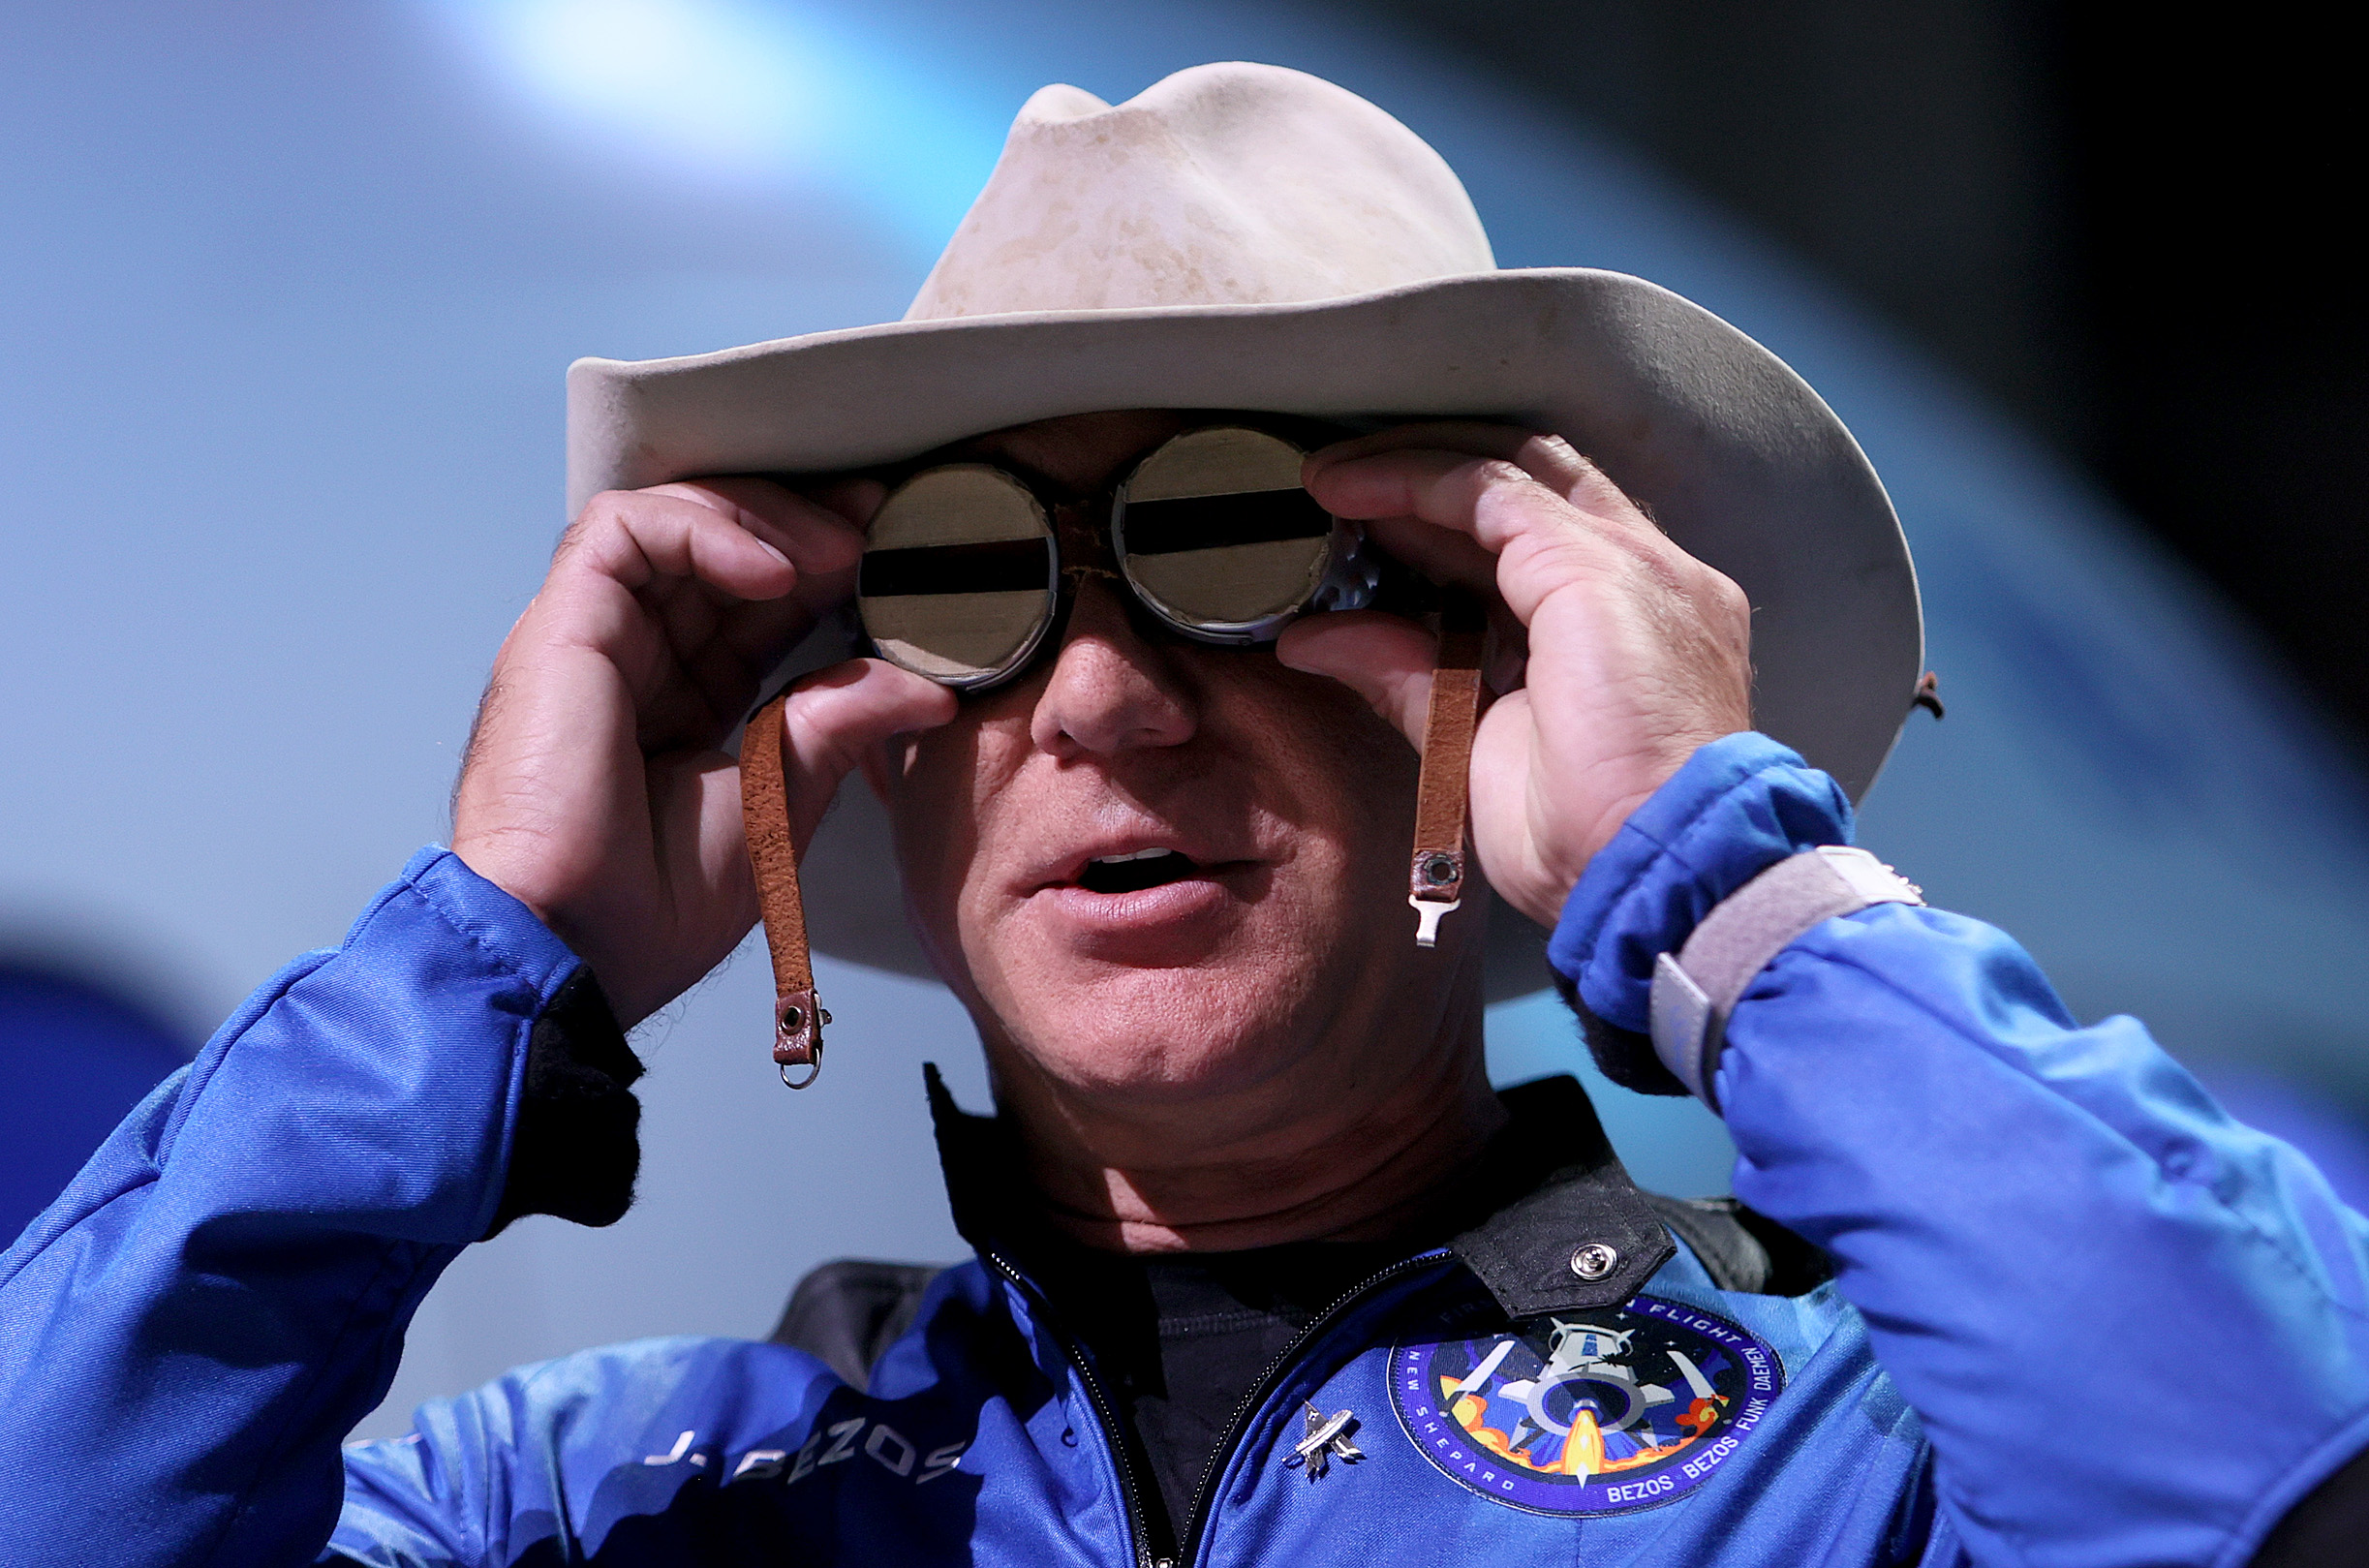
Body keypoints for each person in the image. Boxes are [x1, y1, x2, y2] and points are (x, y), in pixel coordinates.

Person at [1, 61, 2363, 1568]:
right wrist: (480, 953)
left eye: (1249, 574)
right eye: (963, 589)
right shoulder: (592, 1507)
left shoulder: (1867, 1460)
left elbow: (2269, 1473)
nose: (1107, 700)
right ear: (873, 735)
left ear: (1506, 670)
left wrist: (1714, 883)